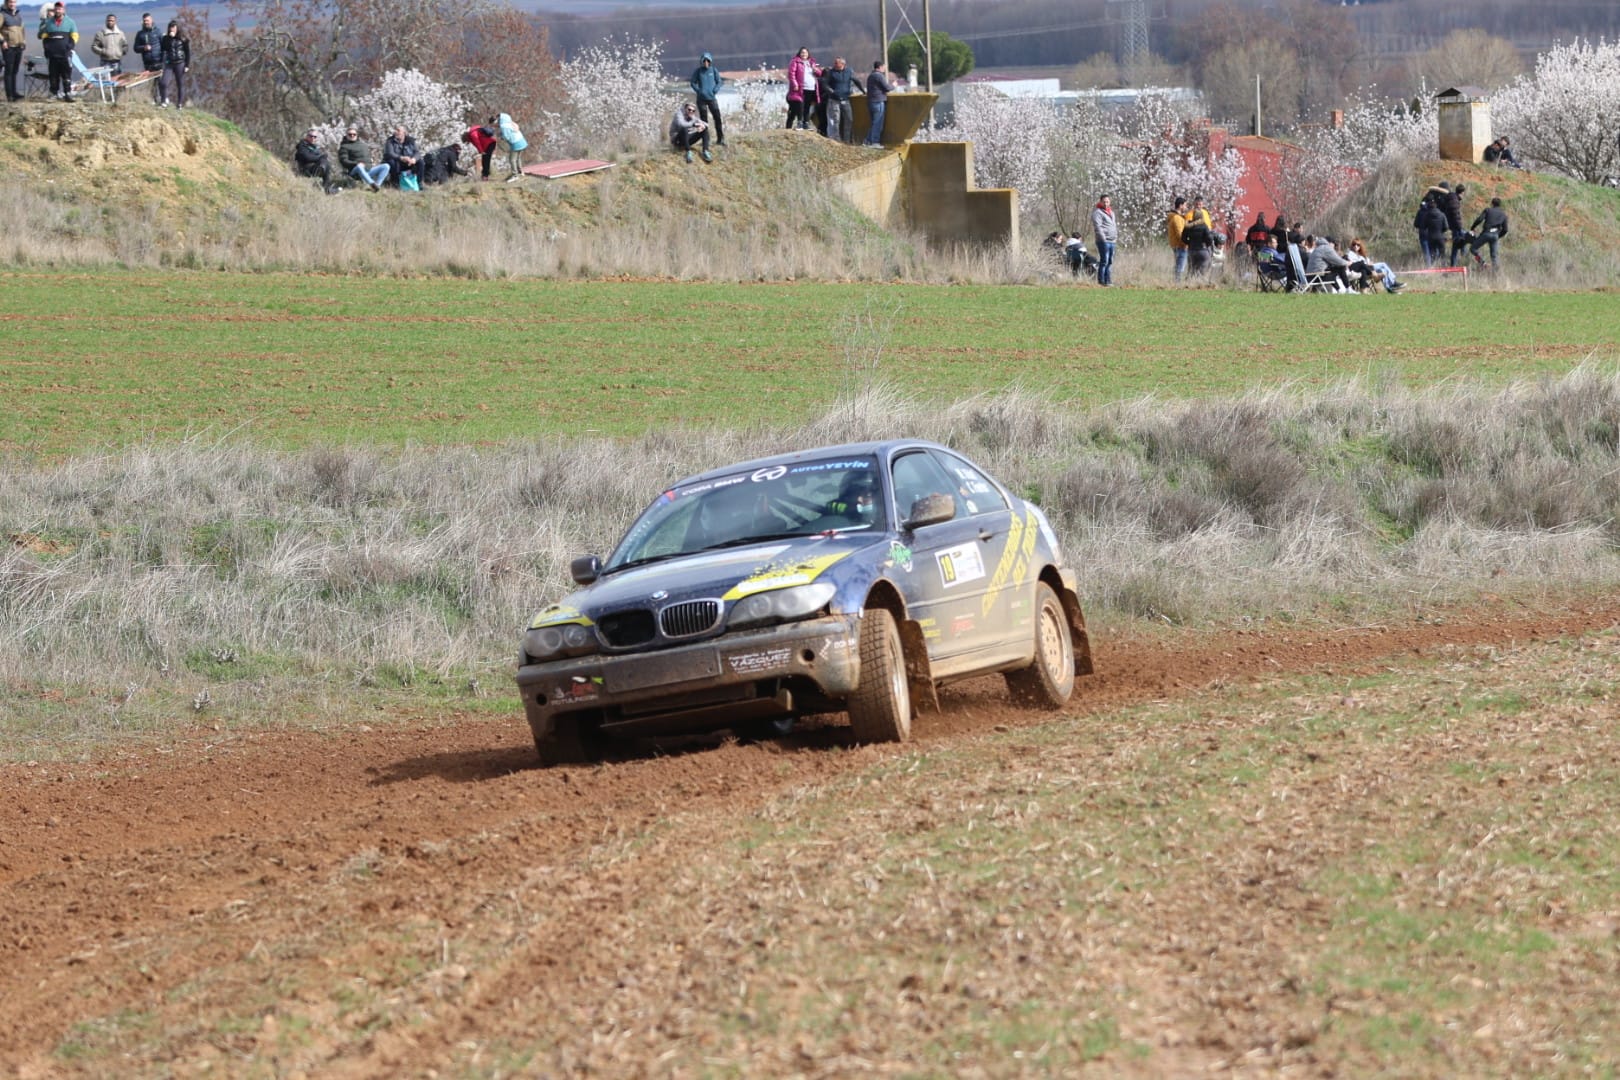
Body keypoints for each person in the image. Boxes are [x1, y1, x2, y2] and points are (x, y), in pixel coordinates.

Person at [36, 0, 75, 100]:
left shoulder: (70, 22)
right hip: (53, 54)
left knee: (66, 74)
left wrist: (69, 46)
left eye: (60, 8)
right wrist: (47, 49)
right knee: (53, 74)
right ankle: (54, 93)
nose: (58, 10)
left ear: (63, 10)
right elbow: (44, 36)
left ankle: (68, 93)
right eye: (56, 8)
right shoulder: (48, 23)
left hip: (65, 53)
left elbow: (74, 35)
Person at [689, 52, 725, 148]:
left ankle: (720, 139)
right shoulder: (698, 71)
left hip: (712, 98)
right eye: (704, 60)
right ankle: (706, 141)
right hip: (701, 100)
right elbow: (692, 82)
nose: (705, 62)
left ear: (710, 61)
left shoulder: (713, 70)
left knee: (717, 118)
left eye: (707, 60)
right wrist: (698, 91)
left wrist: (715, 90)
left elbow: (719, 82)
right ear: (701, 61)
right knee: (704, 122)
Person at [338, 126, 389, 191]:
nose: (352, 136)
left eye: (354, 134)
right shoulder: (344, 147)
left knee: (386, 166)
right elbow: (344, 161)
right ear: (347, 135)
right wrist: (356, 164)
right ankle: (372, 184)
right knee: (359, 166)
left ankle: (377, 186)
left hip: (368, 170)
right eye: (350, 134)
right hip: (355, 171)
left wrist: (371, 161)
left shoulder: (363, 145)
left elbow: (368, 156)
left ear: (357, 135)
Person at [293, 129, 339, 194]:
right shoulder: (302, 146)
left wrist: (322, 157)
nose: (313, 138)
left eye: (315, 137)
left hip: (313, 167)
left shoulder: (314, 148)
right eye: (311, 136)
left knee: (326, 163)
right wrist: (320, 157)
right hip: (305, 169)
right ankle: (322, 172)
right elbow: (308, 157)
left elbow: (318, 157)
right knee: (323, 160)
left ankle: (327, 188)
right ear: (307, 136)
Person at [822, 57, 856, 142]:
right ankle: (836, 140)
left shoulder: (849, 71)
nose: (834, 65)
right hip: (834, 100)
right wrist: (832, 92)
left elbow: (854, 81)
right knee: (836, 120)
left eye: (836, 63)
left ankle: (847, 140)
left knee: (849, 119)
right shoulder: (831, 73)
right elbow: (825, 84)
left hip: (846, 99)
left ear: (842, 64)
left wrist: (857, 90)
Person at [1468, 197, 1509, 266]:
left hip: (1486, 233)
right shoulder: (1503, 215)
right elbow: (1505, 229)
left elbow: (1479, 219)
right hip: (1495, 235)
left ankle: (1482, 263)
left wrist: (1472, 227)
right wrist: (1498, 236)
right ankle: (1495, 274)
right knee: (1494, 256)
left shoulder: (1488, 210)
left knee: (1473, 249)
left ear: (1492, 204)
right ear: (1500, 205)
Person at [785, 47, 819, 130]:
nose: (804, 54)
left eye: (806, 53)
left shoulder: (811, 62)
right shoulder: (795, 62)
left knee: (807, 106)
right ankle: (799, 123)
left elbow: (819, 74)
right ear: (799, 54)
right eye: (802, 53)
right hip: (800, 88)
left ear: (808, 54)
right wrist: (795, 84)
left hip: (811, 88)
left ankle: (806, 124)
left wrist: (816, 70)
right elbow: (791, 74)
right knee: (800, 105)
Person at [133, 11, 162, 104]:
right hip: (148, 63)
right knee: (152, 83)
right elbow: (135, 48)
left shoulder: (158, 31)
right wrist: (144, 48)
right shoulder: (140, 34)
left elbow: (163, 45)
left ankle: (163, 100)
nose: (146, 22)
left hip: (158, 61)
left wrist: (164, 58)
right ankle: (154, 100)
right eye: (145, 21)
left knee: (161, 82)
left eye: (148, 20)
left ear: (151, 20)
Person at [863, 60, 894, 146]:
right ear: (880, 67)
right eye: (884, 67)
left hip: (871, 102)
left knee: (874, 122)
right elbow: (887, 87)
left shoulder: (871, 76)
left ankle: (867, 141)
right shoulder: (879, 76)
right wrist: (894, 85)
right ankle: (875, 142)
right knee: (878, 123)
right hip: (878, 102)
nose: (885, 69)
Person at [158, 19, 188, 108]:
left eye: (174, 27)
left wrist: (187, 65)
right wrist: (170, 38)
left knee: (180, 84)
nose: (172, 29)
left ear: (177, 28)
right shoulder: (166, 38)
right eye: (170, 27)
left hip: (180, 63)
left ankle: (180, 104)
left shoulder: (183, 38)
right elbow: (164, 49)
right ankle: (164, 101)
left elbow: (187, 52)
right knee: (164, 82)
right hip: (169, 63)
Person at [1, 0, 25, 103]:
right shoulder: (2, 14)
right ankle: (10, 95)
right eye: (10, 2)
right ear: (6, 3)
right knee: (9, 72)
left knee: (15, 71)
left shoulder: (18, 15)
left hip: (18, 46)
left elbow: (22, 29)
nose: (12, 4)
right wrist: (2, 41)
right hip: (8, 46)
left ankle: (15, 93)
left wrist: (24, 41)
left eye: (14, 2)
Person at [1091, 193, 1117, 286]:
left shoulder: (1112, 213)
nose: (1106, 204)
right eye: (1104, 202)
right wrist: (1103, 239)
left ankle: (1108, 281)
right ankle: (1101, 281)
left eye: (1107, 202)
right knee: (1104, 260)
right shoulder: (1097, 213)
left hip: (1112, 241)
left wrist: (1115, 237)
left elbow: (1113, 226)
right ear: (1100, 202)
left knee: (1110, 261)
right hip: (1103, 241)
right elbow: (1098, 227)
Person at [494, 111, 527, 180]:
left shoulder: (504, 126)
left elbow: (507, 137)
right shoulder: (510, 123)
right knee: (518, 158)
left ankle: (515, 175)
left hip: (516, 143)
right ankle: (520, 172)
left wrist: (500, 137)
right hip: (522, 141)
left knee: (512, 159)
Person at [1181, 209, 1214, 276]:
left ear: (1193, 216)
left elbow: (1183, 238)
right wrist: (1207, 244)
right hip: (1202, 250)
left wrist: (1189, 243)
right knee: (1203, 269)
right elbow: (1209, 238)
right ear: (1202, 217)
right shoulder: (1204, 226)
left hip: (1192, 250)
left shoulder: (1188, 226)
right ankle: (1200, 282)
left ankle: (1190, 283)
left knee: (1192, 269)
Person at [1166, 195, 1188, 279]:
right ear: (1180, 205)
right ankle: (1177, 282)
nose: (1186, 207)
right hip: (1180, 245)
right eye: (1185, 205)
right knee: (1180, 266)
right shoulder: (1176, 218)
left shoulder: (1176, 217)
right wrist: (1186, 243)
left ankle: (1176, 281)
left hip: (1176, 244)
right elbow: (1180, 234)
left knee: (1178, 264)